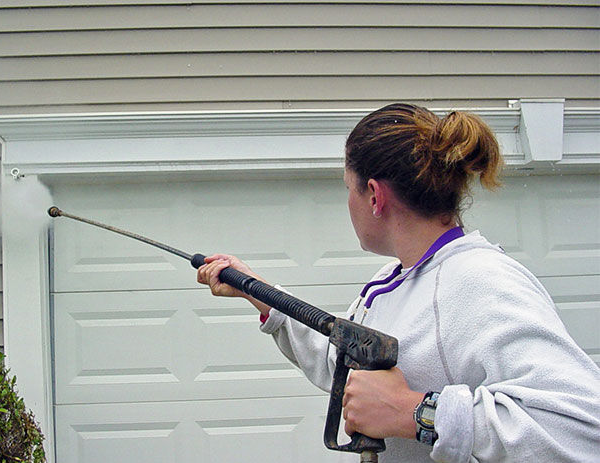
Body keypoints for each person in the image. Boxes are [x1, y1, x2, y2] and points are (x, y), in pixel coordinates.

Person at [196, 103, 600, 463]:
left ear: (374, 195)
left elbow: (579, 429)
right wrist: (260, 292)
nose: (347, 202)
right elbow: (345, 367)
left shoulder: (479, 280)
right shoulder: (399, 279)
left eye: (346, 188)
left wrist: (413, 411)